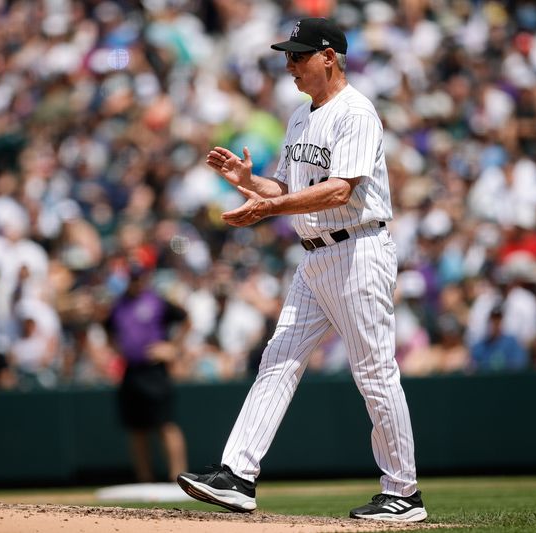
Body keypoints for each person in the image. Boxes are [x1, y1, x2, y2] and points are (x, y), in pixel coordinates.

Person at [176, 18, 427, 523]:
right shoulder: (298, 116)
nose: (289, 64)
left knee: (375, 374)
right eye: (288, 56)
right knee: (278, 360)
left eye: (298, 55)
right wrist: (252, 183)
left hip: (358, 251)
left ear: (328, 56)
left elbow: (340, 190)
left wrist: (271, 208)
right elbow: (290, 189)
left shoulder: (356, 112)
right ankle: (237, 475)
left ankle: (404, 492)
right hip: (314, 256)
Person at [105, 265, 189, 483]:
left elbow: (186, 320)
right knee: (136, 427)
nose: (137, 282)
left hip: (154, 371)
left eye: (140, 278)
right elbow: (108, 329)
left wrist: (173, 348)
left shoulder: (157, 301)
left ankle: (177, 476)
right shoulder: (119, 305)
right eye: (133, 279)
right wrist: (118, 350)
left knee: (165, 424)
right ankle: (144, 478)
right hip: (131, 370)